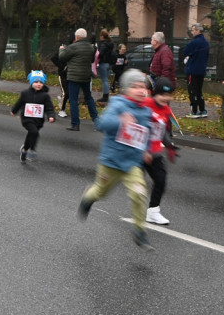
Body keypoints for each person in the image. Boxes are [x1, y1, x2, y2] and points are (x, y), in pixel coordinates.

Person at [75, 68, 154, 249]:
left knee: (139, 194)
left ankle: (139, 231)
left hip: (132, 164)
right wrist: (121, 121)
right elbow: (101, 124)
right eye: (135, 87)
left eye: (143, 87)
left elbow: (146, 134)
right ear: (126, 89)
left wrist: (147, 150)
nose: (141, 91)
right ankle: (87, 199)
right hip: (111, 162)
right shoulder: (118, 105)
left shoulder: (146, 111)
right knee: (101, 193)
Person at [145, 77, 179, 226]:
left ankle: (153, 211)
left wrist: (169, 145)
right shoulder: (146, 105)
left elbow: (162, 130)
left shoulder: (166, 109)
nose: (166, 98)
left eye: (168, 95)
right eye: (162, 95)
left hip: (154, 151)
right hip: (138, 151)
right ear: (155, 93)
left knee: (161, 179)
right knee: (135, 184)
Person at [57, 28, 98, 131]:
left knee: (73, 100)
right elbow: (92, 60)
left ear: (77, 37)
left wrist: (61, 49)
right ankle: (96, 121)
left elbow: (62, 57)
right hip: (86, 76)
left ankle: (75, 124)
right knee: (89, 98)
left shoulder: (72, 47)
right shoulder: (90, 47)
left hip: (74, 77)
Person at [10, 70, 56, 162]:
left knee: (31, 134)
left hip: (38, 120)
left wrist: (51, 116)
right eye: (36, 82)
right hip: (27, 118)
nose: (38, 84)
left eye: (41, 82)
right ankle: (32, 150)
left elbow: (49, 107)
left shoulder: (45, 96)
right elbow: (19, 103)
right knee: (34, 132)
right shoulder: (25, 93)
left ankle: (24, 150)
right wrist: (14, 111)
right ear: (31, 83)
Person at [182, 23, 210, 118]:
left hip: (192, 69)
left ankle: (194, 111)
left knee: (192, 91)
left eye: (193, 30)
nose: (192, 32)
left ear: (198, 30)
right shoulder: (206, 43)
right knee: (199, 90)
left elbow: (185, 52)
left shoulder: (193, 43)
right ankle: (202, 110)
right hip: (201, 70)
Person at [94, 31, 115, 104]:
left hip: (103, 63)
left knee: (104, 80)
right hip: (109, 63)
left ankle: (105, 96)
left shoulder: (103, 45)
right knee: (106, 80)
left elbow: (100, 54)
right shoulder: (110, 44)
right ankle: (107, 95)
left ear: (102, 36)